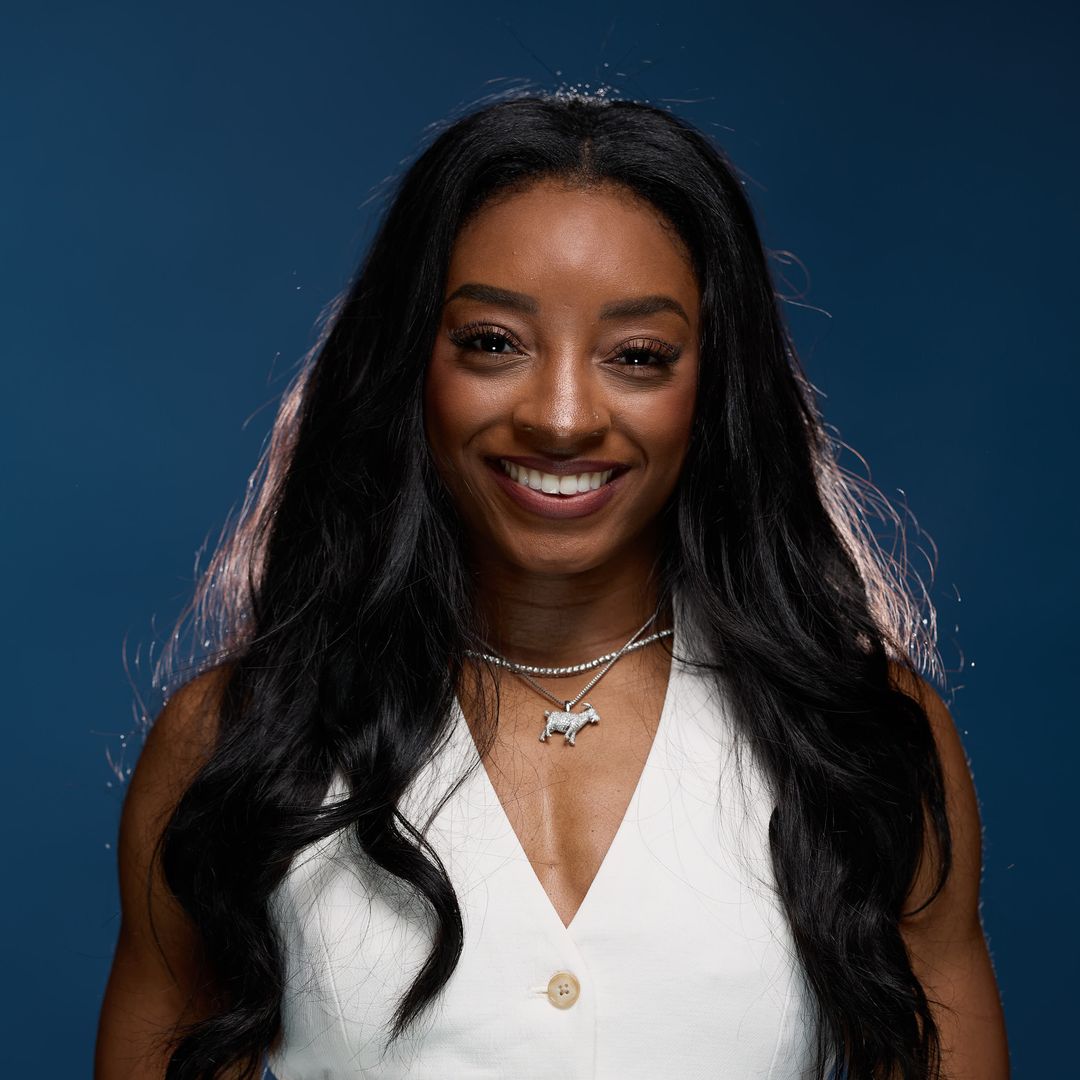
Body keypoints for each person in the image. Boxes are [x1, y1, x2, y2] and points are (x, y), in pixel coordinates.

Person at [95, 91, 1009, 1080]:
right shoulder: (235, 744)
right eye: (494, 342)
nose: (563, 417)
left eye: (638, 356)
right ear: (410, 364)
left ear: (714, 389)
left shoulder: (861, 740)